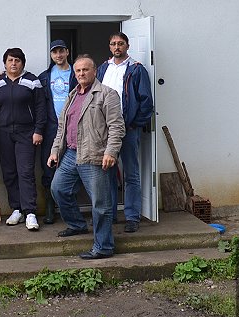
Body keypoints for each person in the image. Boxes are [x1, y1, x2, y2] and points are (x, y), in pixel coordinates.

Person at [48, 54, 125, 259]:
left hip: (94, 155)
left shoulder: (107, 94)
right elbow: (62, 127)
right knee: (58, 189)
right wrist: (55, 151)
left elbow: (116, 127)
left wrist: (111, 152)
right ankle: (77, 224)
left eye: (85, 69)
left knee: (101, 204)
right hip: (71, 153)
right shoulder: (72, 95)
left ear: (95, 71)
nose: (81, 73)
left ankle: (104, 247)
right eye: (78, 70)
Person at [97, 31, 154, 233]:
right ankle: (110, 215)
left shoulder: (136, 69)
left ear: (127, 46)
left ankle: (131, 217)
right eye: (113, 43)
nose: (117, 47)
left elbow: (146, 102)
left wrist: (133, 124)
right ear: (109, 47)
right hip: (106, 130)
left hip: (127, 129)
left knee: (131, 174)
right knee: (107, 173)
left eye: (120, 43)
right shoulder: (103, 68)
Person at [0, 47, 46, 231]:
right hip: (3, 133)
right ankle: (16, 209)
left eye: (17, 60)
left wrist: (38, 130)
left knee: (26, 172)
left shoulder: (32, 81)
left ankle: (30, 212)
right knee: (9, 172)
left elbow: (40, 107)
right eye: (10, 60)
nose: (13, 63)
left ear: (23, 63)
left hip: (26, 133)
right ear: (5, 63)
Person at [37, 39, 77, 225]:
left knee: (76, 166)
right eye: (55, 52)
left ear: (67, 52)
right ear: (51, 55)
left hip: (74, 125)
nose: (58, 55)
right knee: (49, 166)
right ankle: (50, 208)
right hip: (51, 127)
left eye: (61, 51)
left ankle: (72, 207)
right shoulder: (44, 77)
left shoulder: (77, 73)